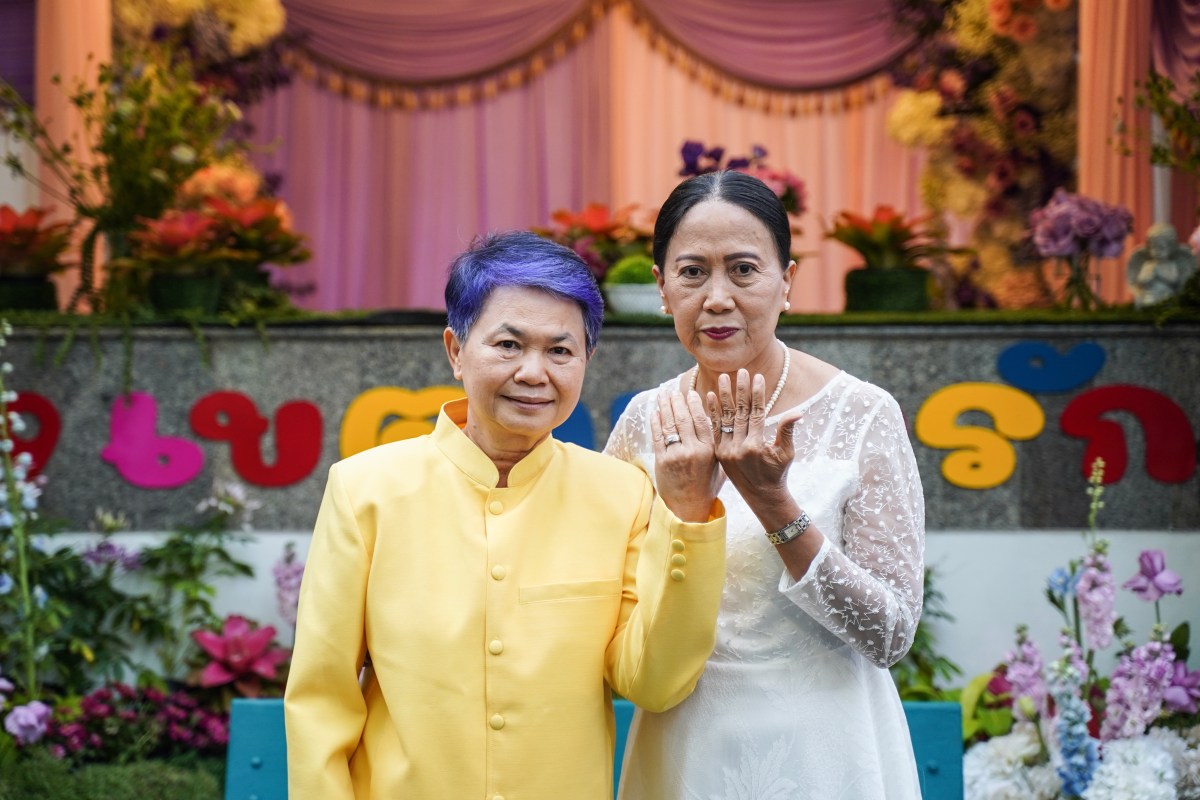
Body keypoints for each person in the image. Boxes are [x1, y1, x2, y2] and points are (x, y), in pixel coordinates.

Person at [285, 230, 728, 799]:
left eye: (560, 350)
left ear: (586, 361)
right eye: (509, 345)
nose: (534, 372)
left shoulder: (621, 494)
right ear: (455, 351)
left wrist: (689, 519)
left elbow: (654, 681)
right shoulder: (365, 491)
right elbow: (322, 700)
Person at [606, 171, 926, 798]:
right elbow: (610, 606)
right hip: (682, 744)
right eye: (692, 272)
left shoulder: (861, 414)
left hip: (825, 749)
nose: (717, 297)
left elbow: (890, 634)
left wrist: (774, 503)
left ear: (787, 282)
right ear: (662, 289)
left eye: (744, 270)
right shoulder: (645, 420)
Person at [1126, 222, 1198, 308]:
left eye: (1162, 248)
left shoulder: (1171, 265)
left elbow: (1174, 280)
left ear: (1171, 248)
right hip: (1150, 296)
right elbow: (1141, 281)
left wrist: (1158, 273)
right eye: (1154, 248)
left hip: (1167, 295)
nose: (1157, 252)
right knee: (1145, 300)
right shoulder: (1148, 264)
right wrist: (1146, 278)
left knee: (1170, 301)